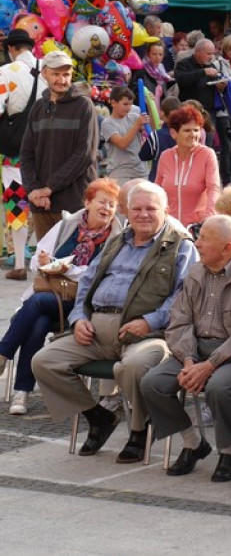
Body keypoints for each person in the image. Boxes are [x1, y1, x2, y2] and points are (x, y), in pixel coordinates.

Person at [31, 182, 198, 462]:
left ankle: (138, 429)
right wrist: (79, 318)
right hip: (96, 329)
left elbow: (183, 297)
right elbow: (86, 284)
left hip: (147, 334)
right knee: (44, 362)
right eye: (137, 209)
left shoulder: (180, 246)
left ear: (166, 210)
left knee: (132, 367)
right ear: (125, 211)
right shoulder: (116, 241)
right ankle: (99, 416)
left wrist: (149, 321)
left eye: (151, 208)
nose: (143, 214)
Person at [140, 215, 231, 481]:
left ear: (228, 248)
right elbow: (179, 321)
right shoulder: (196, 272)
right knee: (152, 383)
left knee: (218, 386)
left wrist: (209, 366)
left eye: (205, 239)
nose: (197, 243)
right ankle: (193, 443)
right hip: (194, 351)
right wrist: (188, 360)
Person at [0, 179, 121, 415]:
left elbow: (99, 273)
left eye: (112, 204)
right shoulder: (68, 225)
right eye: (102, 202)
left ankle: (4, 353)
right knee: (39, 323)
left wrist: (65, 268)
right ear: (87, 202)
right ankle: (21, 392)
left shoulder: (116, 236)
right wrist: (45, 261)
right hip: (53, 297)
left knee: (36, 303)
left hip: (85, 305)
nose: (107, 208)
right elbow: (37, 258)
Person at [21, 50, 98, 240]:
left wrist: (49, 188)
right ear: (44, 74)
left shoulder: (83, 106)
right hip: (42, 204)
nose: (61, 80)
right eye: (56, 74)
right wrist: (34, 190)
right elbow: (26, 154)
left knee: (72, 264)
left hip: (74, 203)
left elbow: (84, 154)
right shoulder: (38, 108)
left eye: (66, 74)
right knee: (45, 263)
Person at [0, 28, 46, 279]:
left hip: (16, 151)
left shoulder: (5, 73)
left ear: (11, 49)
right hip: (48, 145)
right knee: (47, 205)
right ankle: (47, 262)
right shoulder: (49, 68)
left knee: (17, 203)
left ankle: (19, 264)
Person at [173, 38, 231, 186]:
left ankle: (216, 177)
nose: (211, 57)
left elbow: (216, 83)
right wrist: (202, 72)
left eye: (213, 54)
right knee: (197, 143)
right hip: (191, 111)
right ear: (198, 52)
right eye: (208, 53)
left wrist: (221, 86)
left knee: (217, 144)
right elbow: (181, 80)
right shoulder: (185, 64)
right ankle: (195, 176)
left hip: (211, 111)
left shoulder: (212, 65)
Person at [155, 105, 221, 228]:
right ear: (174, 133)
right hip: (169, 227)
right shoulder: (165, 156)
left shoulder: (207, 155)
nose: (193, 134)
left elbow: (214, 188)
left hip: (196, 228)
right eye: (187, 130)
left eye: (196, 130)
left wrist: (210, 217)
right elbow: (157, 191)